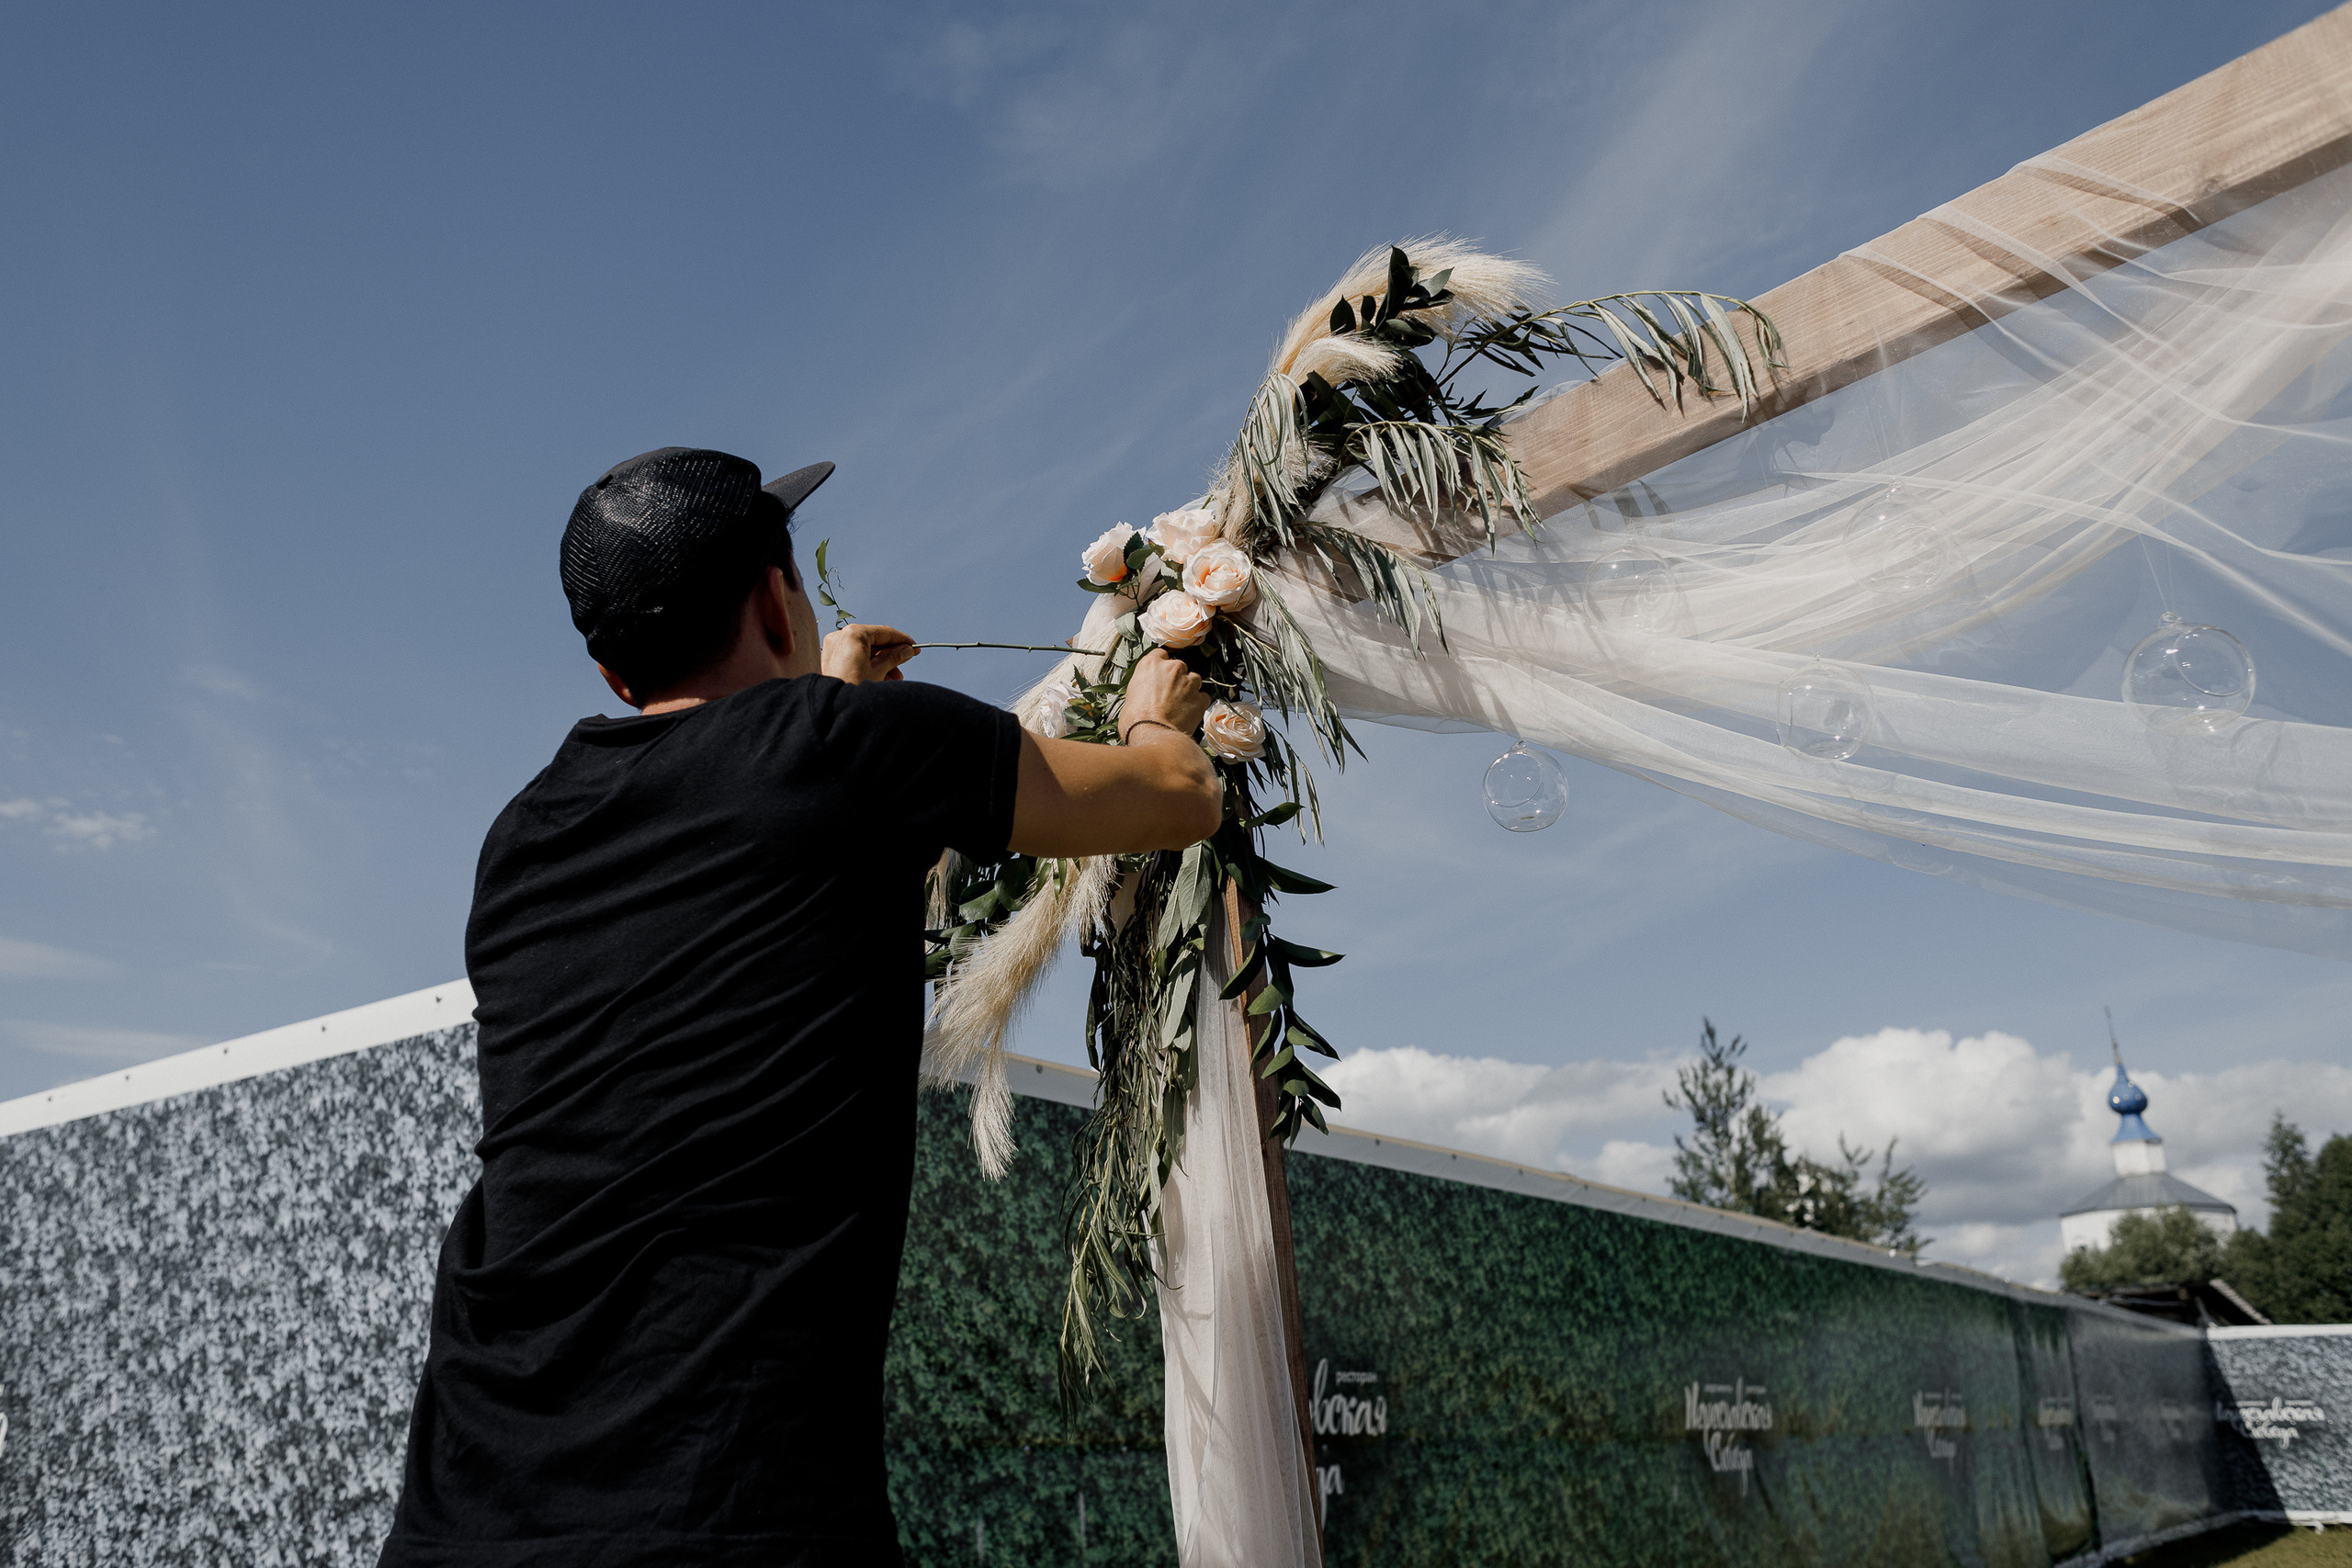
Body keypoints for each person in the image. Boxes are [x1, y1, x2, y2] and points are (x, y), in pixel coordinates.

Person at [378, 447, 1219, 1567]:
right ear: (779, 600)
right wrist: (1156, 711)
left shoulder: (523, 837)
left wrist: (819, 699)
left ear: (613, 677)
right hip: (724, 1510)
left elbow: (740, 837)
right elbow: (1176, 799)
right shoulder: (848, 751)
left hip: (464, 1507)